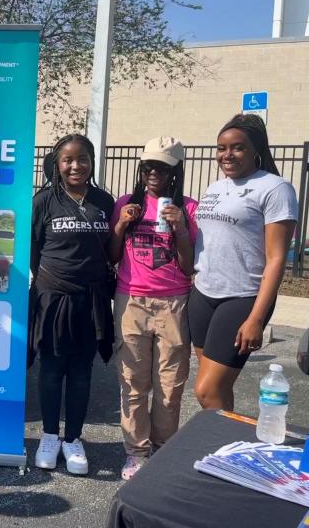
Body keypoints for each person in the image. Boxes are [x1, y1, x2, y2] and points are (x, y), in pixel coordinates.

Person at [190, 114, 297, 410]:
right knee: (218, 390)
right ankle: (226, 438)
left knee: (207, 391)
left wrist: (256, 319)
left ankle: (225, 438)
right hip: (204, 294)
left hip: (243, 298)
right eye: (221, 148)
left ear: (255, 150)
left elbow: (276, 258)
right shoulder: (215, 188)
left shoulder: (276, 188)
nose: (227, 155)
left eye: (237, 147)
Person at [108, 137, 197, 480]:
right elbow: (112, 255)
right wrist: (121, 225)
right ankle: (136, 452)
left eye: (161, 167)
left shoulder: (188, 208)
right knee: (132, 382)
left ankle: (162, 449)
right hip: (131, 300)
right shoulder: (126, 203)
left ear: (176, 172)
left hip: (173, 302)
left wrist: (181, 229)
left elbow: (188, 267)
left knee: (170, 385)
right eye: (148, 167)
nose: (153, 173)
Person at [29, 134, 115, 476]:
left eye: (82, 159)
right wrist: (51, 281)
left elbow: (110, 250)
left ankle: (73, 439)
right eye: (67, 160)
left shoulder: (104, 201)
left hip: (91, 300)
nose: (75, 166)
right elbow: (33, 251)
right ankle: (50, 436)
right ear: (57, 164)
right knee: (51, 369)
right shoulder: (43, 201)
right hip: (53, 298)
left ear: (92, 162)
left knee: (81, 372)